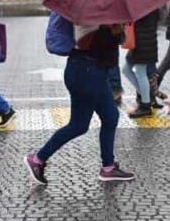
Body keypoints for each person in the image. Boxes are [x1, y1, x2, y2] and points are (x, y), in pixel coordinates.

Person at [25, 24, 134, 185]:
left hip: (92, 71)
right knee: (78, 125)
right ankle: (37, 159)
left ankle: (108, 168)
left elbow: (117, 42)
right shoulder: (89, 14)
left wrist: (119, 27)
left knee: (110, 116)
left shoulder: (104, 13)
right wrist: (115, 29)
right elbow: (92, 42)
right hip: (87, 71)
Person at [122, 8, 159, 118]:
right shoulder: (146, 5)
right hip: (139, 42)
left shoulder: (146, 7)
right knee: (126, 70)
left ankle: (145, 106)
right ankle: (146, 97)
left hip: (143, 43)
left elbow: (142, 23)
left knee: (140, 73)